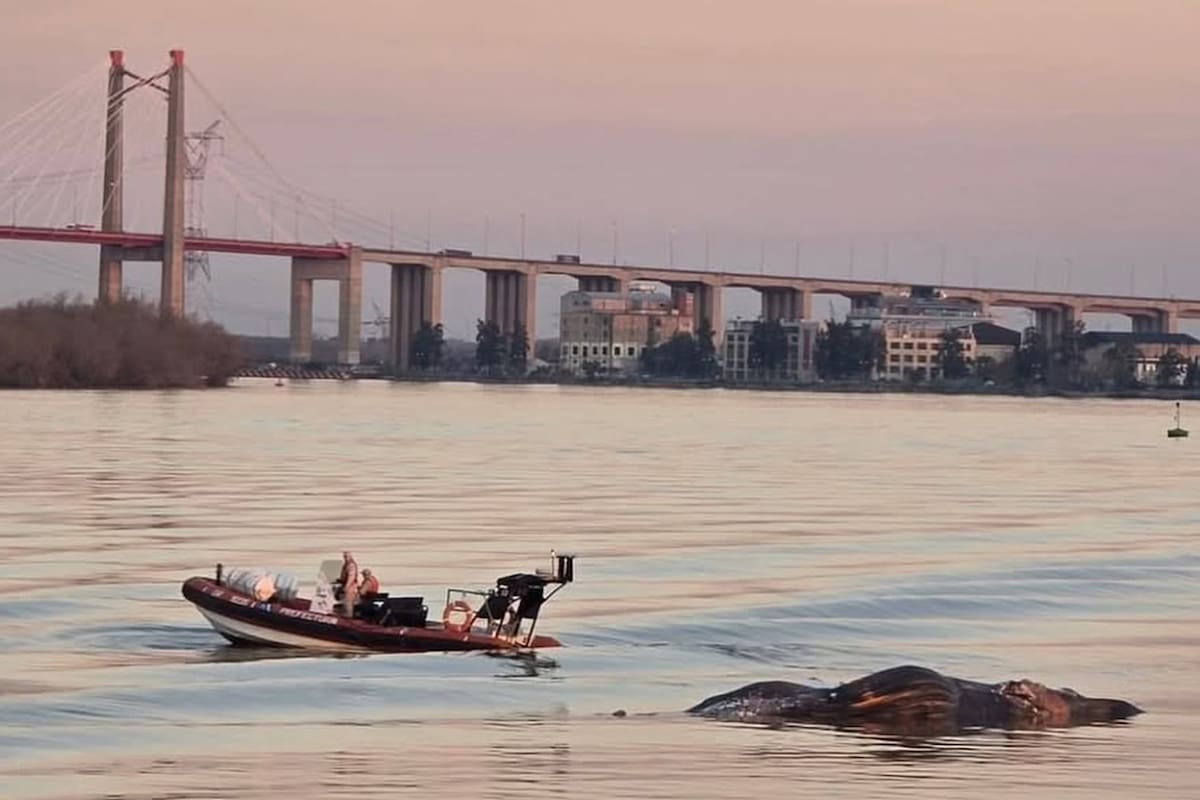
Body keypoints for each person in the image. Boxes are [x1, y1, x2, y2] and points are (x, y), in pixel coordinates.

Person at [338, 551, 359, 617]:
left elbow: (351, 577)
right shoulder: (346, 564)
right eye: (345, 556)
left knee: (348, 602)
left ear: (350, 556)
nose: (345, 558)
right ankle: (345, 614)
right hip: (347, 584)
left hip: (350, 586)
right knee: (345, 601)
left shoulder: (351, 565)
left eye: (347, 556)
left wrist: (347, 586)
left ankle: (348, 616)